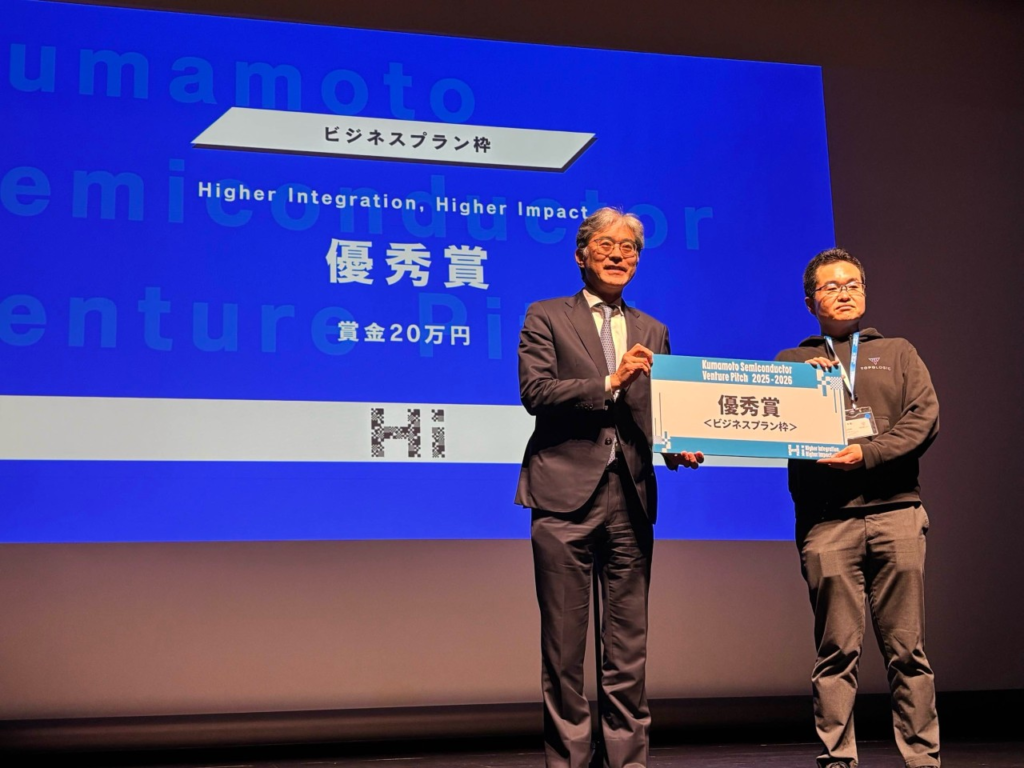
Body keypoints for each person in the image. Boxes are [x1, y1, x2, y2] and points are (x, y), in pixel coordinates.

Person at [515, 207, 703, 768]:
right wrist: (609, 380)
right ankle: (569, 762)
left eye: (630, 248)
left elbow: (660, 410)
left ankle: (628, 762)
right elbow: (535, 392)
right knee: (564, 650)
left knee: (627, 649)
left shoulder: (653, 329)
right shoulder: (546, 315)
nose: (619, 254)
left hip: (631, 497)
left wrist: (676, 446)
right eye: (607, 245)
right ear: (581, 255)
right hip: (562, 497)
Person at [776, 248, 940, 768]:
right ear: (810, 302)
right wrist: (804, 388)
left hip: (896, 513)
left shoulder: (897, 351)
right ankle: (837, 760)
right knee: (836, 652)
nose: (844, 293)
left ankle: (923, 759)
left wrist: (868, 453)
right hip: (827, 522)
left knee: (908, 651)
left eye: (853, 284)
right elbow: (770, 430)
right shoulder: (791, 363)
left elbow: (924, 418)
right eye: (831, 286)